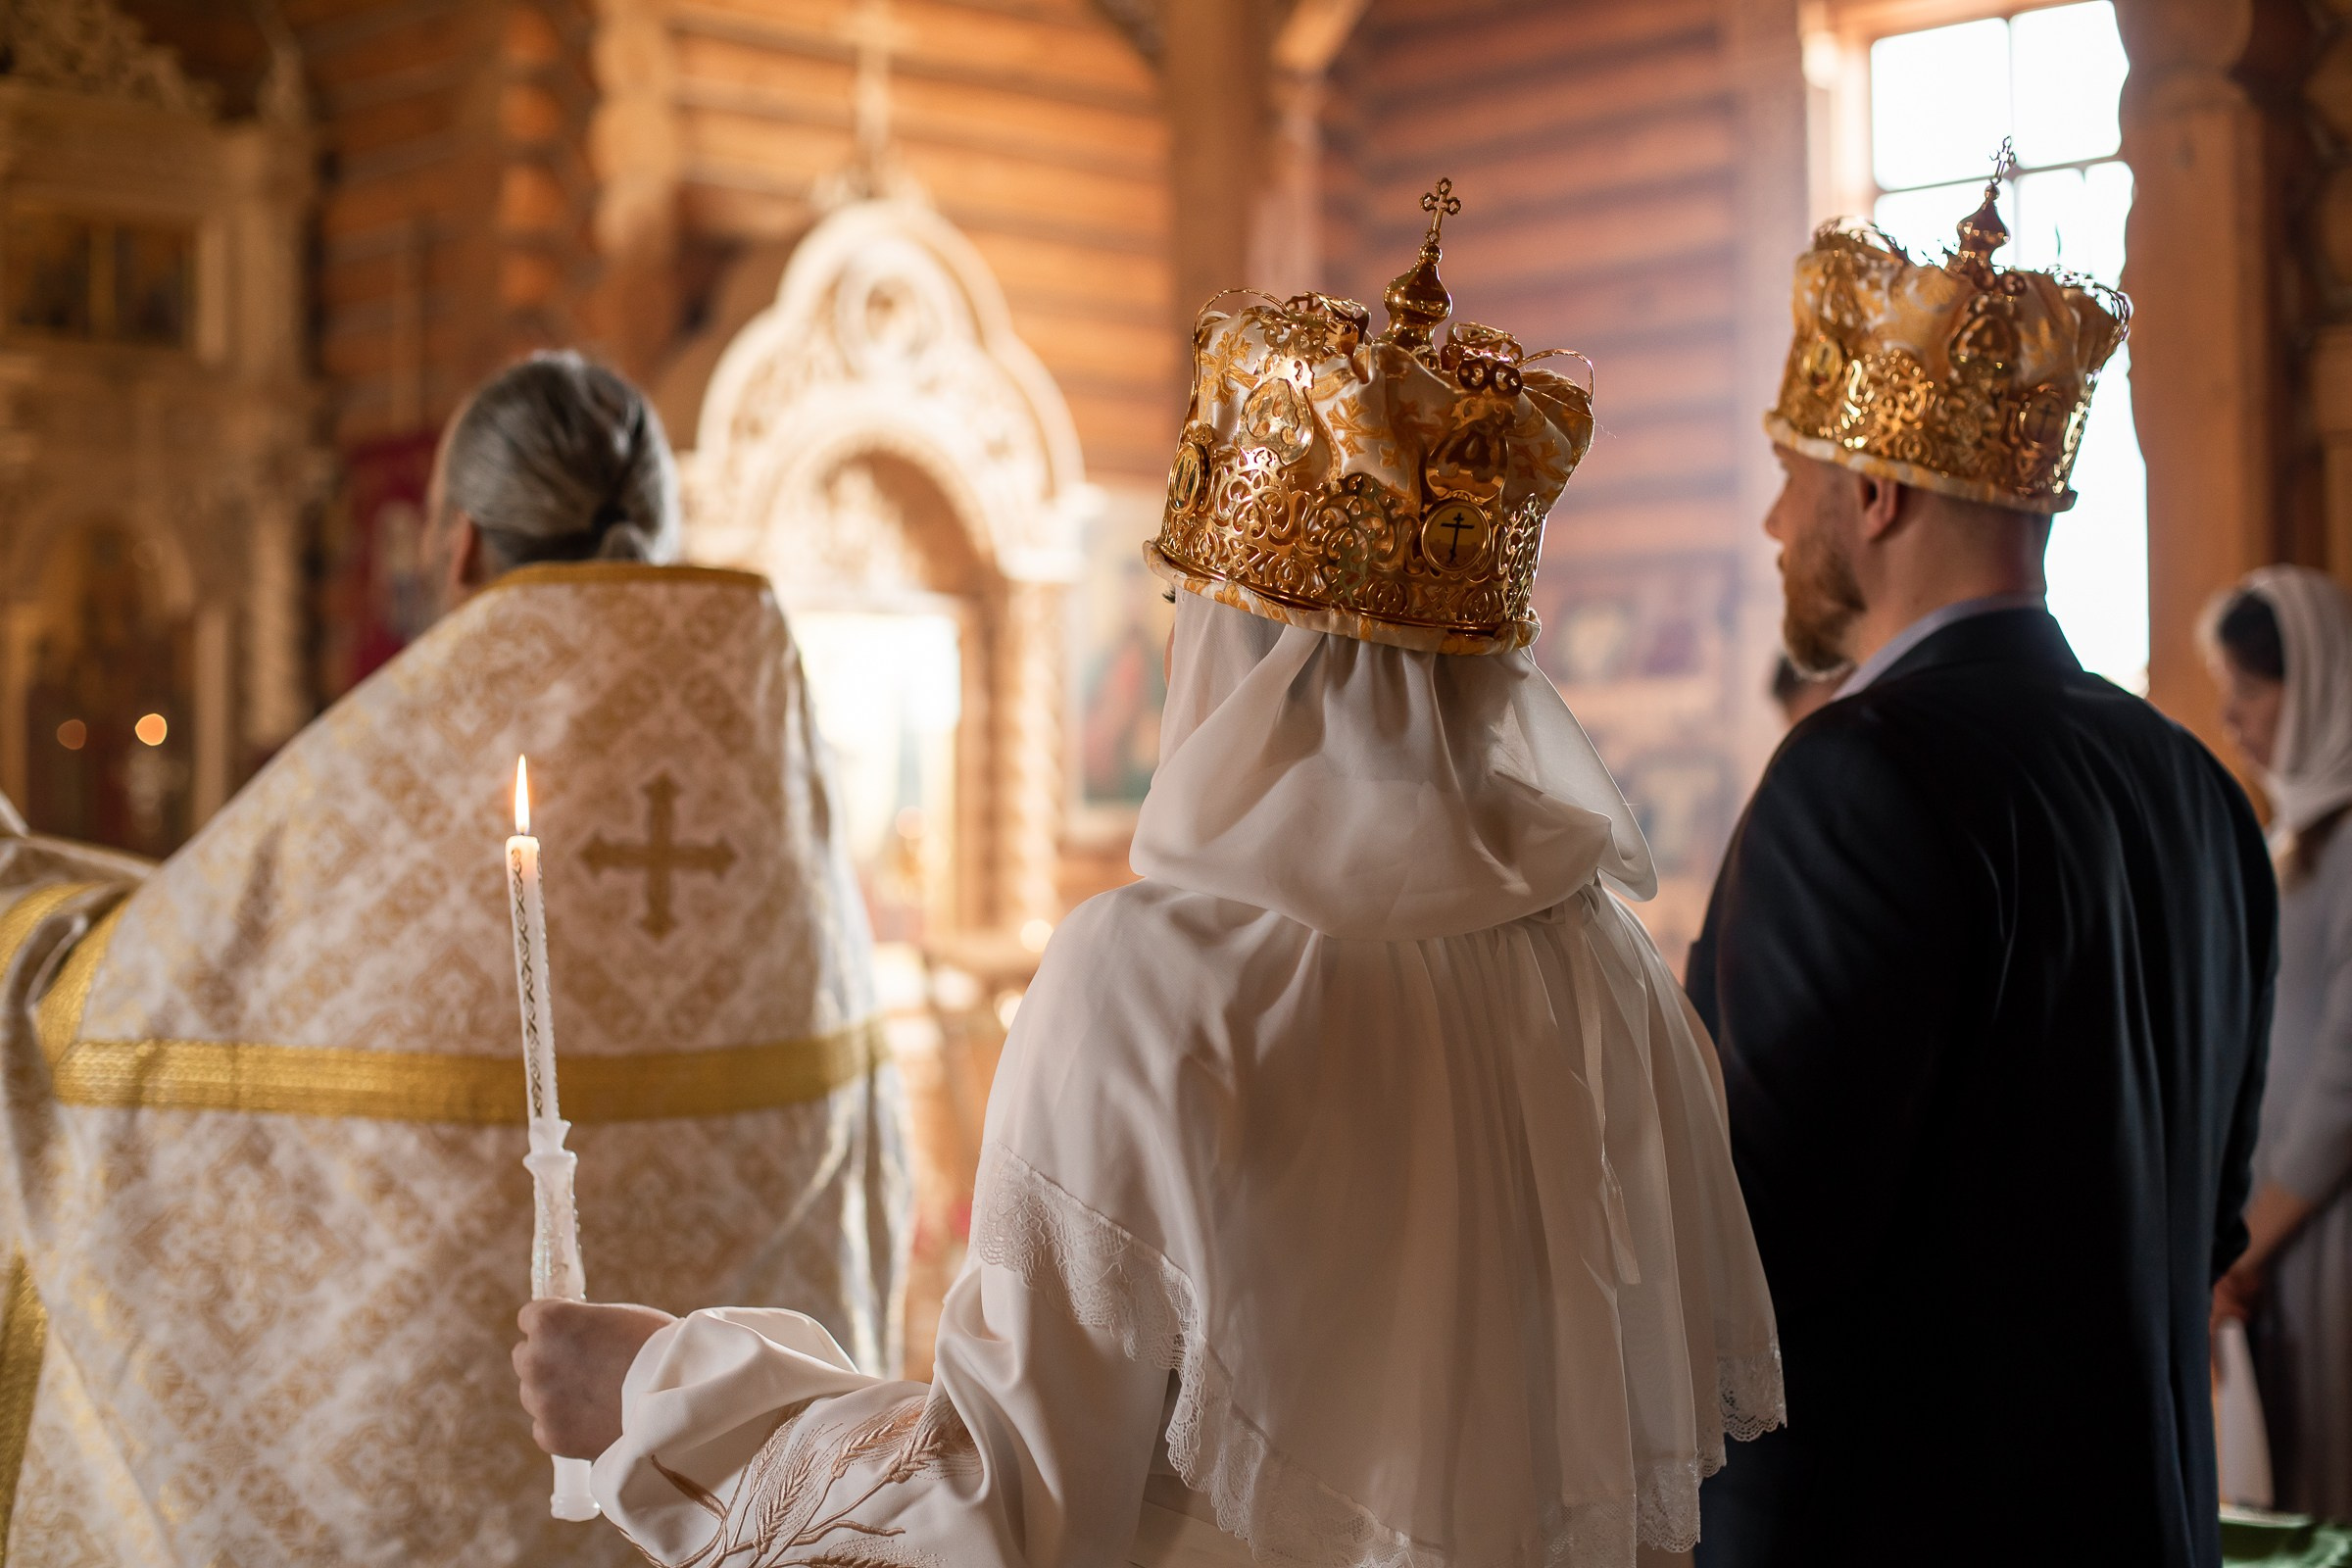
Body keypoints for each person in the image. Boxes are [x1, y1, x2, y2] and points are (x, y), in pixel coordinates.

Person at [514, 189, 1783, 1568]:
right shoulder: (1605, 967)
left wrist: (666, 1399)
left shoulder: (1150, 976)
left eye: (1193, 613)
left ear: (1248, 653)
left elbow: (1000, 1520)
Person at [0, 352, 906, 1564]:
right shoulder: (767, 768)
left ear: (462, 544)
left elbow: (121, 1028)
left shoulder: (403, 776)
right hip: (731, 1502)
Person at [1688, 172, 2277, 1568]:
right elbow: (2210, 1217)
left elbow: (1752, 1248)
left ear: (1873, 492)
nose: (1778, 527)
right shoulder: (2191, 778)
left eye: (1793, 478)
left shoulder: (1857, 774)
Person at [2205, 567, 2352, 1521]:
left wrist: (2253, 1238)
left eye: (2252, 690)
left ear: (2321, 685)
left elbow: (2344, 1075)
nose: (2232, 717)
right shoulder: (2296, 834)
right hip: (2281, 1228)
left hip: (2329, 1221)